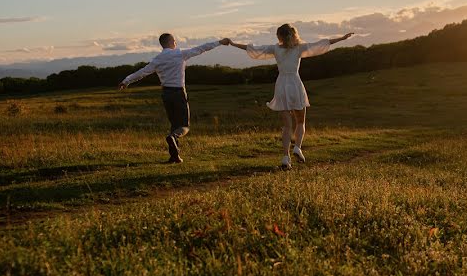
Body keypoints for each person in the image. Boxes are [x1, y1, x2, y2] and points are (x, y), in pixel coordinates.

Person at [225, 25, 353, 169]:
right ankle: (297, 147)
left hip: (281, 85)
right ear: (294, 34)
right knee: (300, 121)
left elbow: (254, 48)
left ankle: (286, 157)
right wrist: (342, 38)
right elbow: (321, 44)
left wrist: (233, 43)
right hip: (295, 83)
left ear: (279, 36)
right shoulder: (299, 48)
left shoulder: (275, 48)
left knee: (287, 126)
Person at [118, 33, 226, 163]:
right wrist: (219, 42)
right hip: (178, 93)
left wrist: (126, 81)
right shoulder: (179, 54)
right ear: (171, 42)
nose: (176, 43)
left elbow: (142, 72)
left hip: (166, 94)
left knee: (174, 124)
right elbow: (201, 48)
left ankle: (174, 156)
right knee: (184, 126)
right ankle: (173, 138)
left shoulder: (157, 59)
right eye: (175, 41)